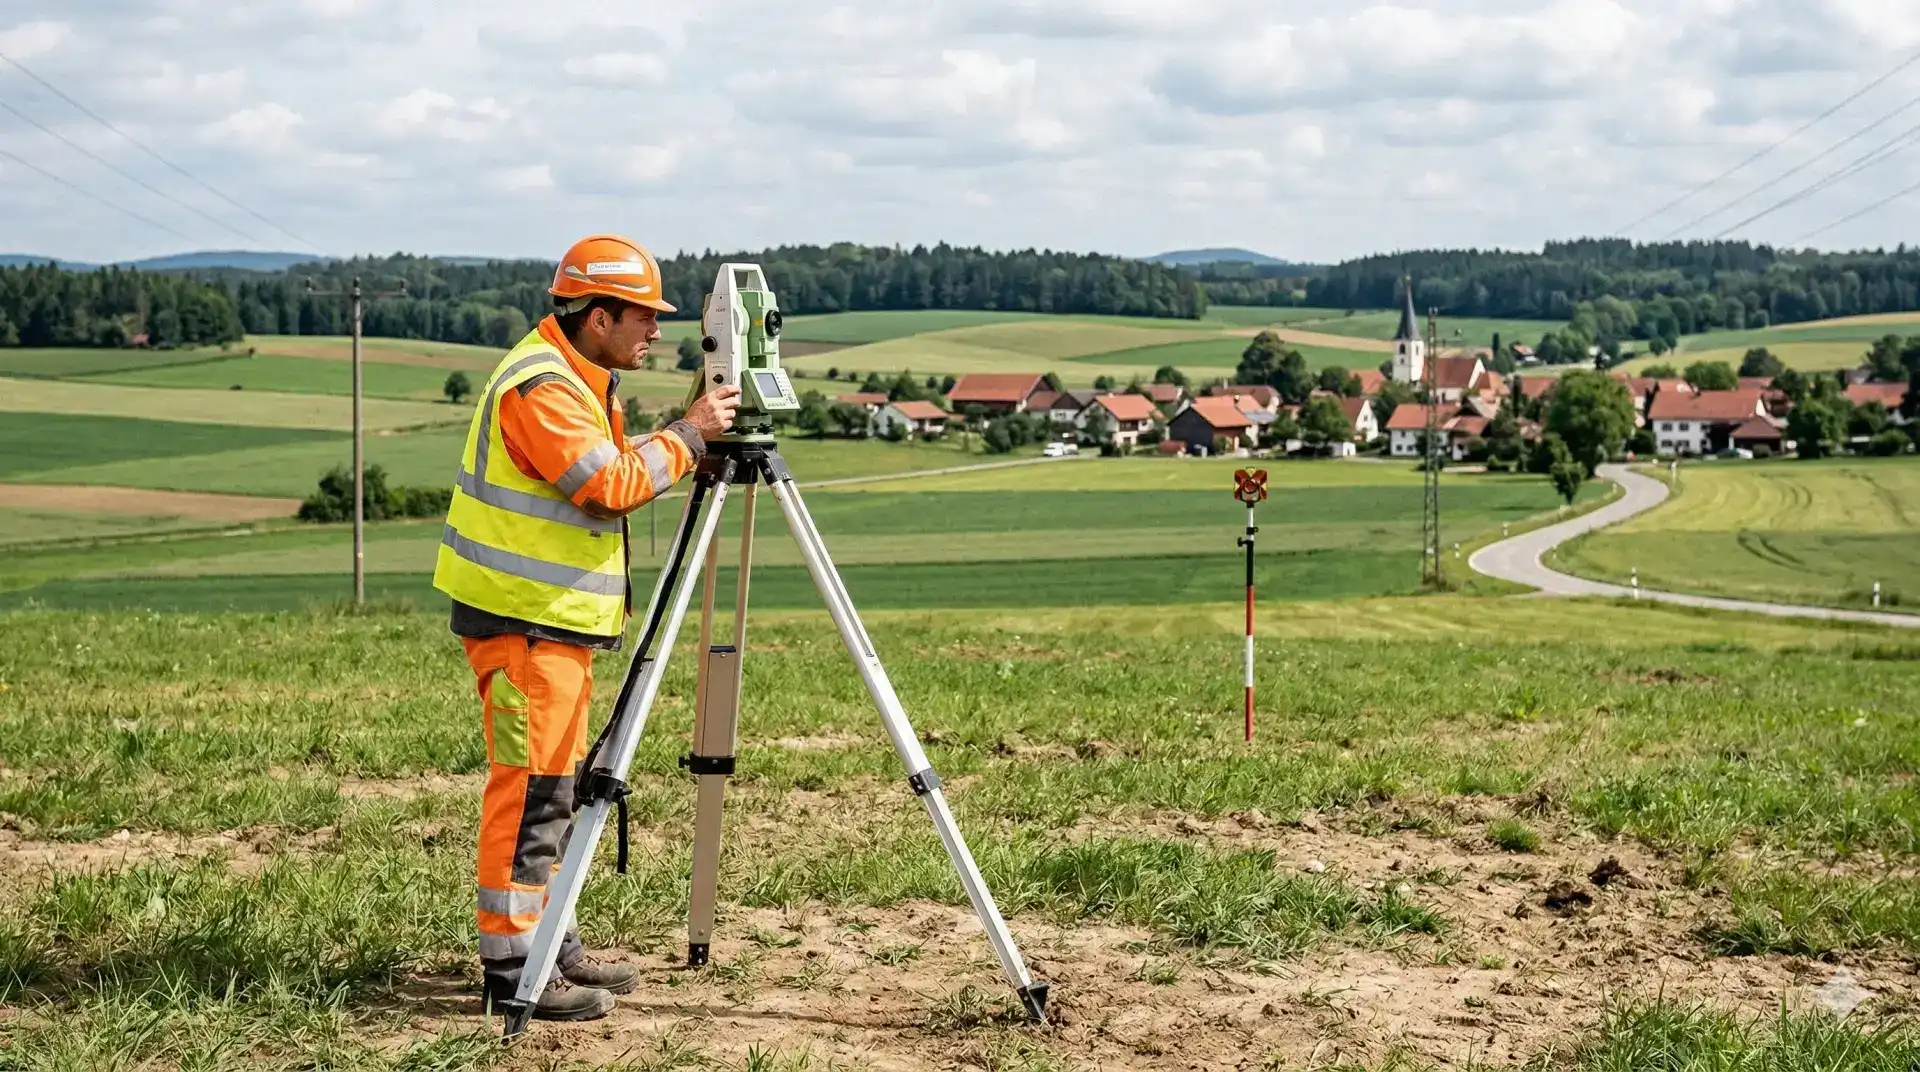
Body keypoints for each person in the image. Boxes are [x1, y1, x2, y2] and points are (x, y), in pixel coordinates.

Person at [433, 234, 740, 1022]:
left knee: (559, 791)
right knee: (533, 792)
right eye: (643, 318)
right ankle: (511, 971)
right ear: (597, 315)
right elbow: (605, 487)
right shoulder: (543, 389)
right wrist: (691, 433)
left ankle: (551, 940)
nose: (656, 333)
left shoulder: (578, 377)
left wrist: (678, 448)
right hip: (523, 624)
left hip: (553, 626)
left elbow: (607, 469)